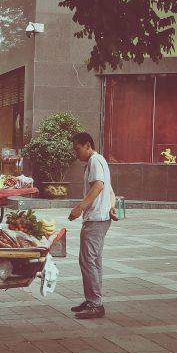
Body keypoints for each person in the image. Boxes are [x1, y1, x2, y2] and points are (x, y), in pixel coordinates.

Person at [68, 132, 118, 320]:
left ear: (87, 145)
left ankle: (95, 304)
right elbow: (111, 190)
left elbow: (99, 186)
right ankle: (92, 299)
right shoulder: (100, 160)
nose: (76, 153)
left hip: (96, 219)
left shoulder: (95, 161)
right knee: (94, 261)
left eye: (77, 148)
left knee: (88, 261)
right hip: (102, 218)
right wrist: (112, 208)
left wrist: (80, 208)